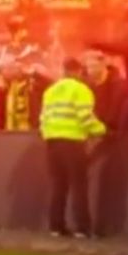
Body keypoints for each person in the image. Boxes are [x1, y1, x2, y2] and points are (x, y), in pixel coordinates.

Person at [39, 58, 106, 238]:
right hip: (72, 142)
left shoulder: (51, 91)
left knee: (58, 185)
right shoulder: (81, 90)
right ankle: (82, 228)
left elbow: (43, 118)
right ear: (78, 71)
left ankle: (56, 226)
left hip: (52, 142)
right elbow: (85, 117)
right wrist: (102, 130)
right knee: (79, 186)